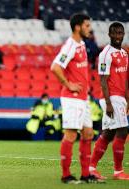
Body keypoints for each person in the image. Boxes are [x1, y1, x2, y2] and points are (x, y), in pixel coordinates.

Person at [51, 13, 103, 184]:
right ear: (78, 27)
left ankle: (85, 174)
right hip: (72, 98)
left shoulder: (81, 44)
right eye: (87, 25)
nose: (90, 28)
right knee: (71, 135)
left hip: (83, 98)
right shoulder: (70, 45)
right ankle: (66, 175)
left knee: (88, 133)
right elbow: (56, 67)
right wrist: (69, 84)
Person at [89, 22, 129, 180]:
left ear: (123, 34)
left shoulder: (125, 54)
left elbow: (125, 79)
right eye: (115, 33)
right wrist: (108, 103)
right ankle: (118, 171)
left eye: (120, 33)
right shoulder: (106, 53)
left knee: (109, 133)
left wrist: (127, 98)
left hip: (121, 98)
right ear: (109, 35)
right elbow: (103, 80)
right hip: (111, 97)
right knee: (123, 130)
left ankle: (91, 168)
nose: (118, 36)